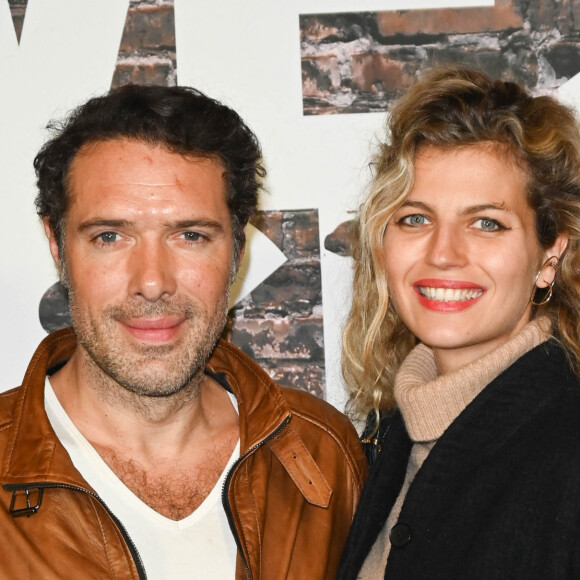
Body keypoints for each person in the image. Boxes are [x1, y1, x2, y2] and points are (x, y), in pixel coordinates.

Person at [0, 84, 367, 579]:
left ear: (238, 248)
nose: (152, 282)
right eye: (110, 236)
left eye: (190, 235)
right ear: (57, 245)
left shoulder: (324, 456)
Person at [337, 66, 580, 579]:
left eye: (486, 223)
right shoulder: (384, 435)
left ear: (549, 256)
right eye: (415, 218)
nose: (442, 253)